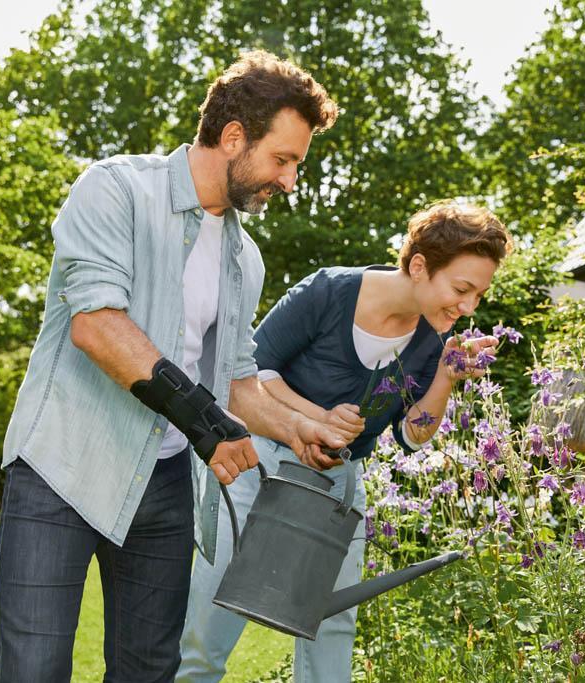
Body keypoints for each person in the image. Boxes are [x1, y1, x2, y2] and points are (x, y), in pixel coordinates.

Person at [0, 50, 346, 682]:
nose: (290, 180)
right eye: (283, 159)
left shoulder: (246, 258)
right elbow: (97, 325)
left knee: (149, 671)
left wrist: (298, 431)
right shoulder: (117, 189)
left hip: (162, 486)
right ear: (234, 138)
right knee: (34, 669)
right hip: (61, 467)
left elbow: (237, 383)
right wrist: (207, 423)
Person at [178, 201, 513, 682]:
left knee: (331, 623)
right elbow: (248, 373)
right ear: (419, 266)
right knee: (213, 617)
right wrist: (317, 419)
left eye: (478, 295)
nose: (469, 307)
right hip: (258, 468)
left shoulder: (430, 342)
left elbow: (411, 434)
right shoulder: (328, 292)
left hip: (338, 487)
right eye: (462, 289)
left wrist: (445, 376)